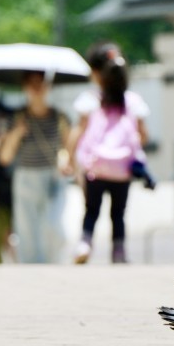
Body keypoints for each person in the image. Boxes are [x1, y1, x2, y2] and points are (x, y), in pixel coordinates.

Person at [67, 43, 152, 264]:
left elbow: (79, 130)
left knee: (91, 210)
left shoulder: (91, 99)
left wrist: (68, 156)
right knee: (118, 214)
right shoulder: (133, 101)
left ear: (96, 73)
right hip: (122, 169)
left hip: (95, 167)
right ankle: (118, 251)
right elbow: (143, 135)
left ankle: (85, 243)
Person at [0, 72, 71, 264]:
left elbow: (68, 149)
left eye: (41, 83)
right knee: (27, 230)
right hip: (26, 177)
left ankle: (53, 265)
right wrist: (17, 132)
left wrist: (65, 161)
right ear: (25, 87)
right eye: (32, 84)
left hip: (52, 178)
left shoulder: (60, 117)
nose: (37, 88)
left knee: (53, 226)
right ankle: (30, 271)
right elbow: (4, 157)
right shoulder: (17, 117)